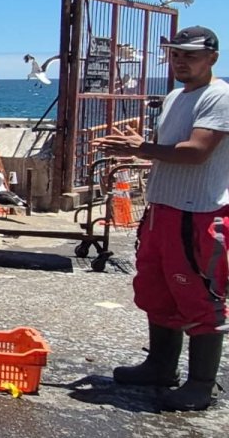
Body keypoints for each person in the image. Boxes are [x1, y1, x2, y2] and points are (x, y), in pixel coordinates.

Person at [95, 26, 229, 412]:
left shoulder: (218, 98)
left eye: (189, 55)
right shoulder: (175, 97)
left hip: (196, 211)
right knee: (158, 288)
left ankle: (200, 384)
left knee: (199, 295)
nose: (180, 61)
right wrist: (140, 150)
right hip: (164, 210)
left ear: (211, 58)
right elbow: (166, 152)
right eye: (175, 54)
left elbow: (196, 152)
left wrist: (141, 148)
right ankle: (160, 365)